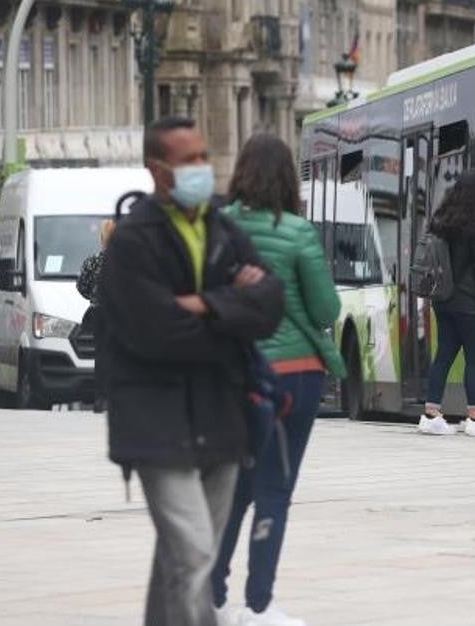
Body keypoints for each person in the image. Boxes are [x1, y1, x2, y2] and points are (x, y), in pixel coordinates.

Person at [98, 117, 284, 626]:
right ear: (158, 171)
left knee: (180, 559)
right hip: (155, 423)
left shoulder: (222, 227)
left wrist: (202, 305)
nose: (203, 167)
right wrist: (230, 310)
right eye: (189, 160)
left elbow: (270, 302)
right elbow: (154, 331)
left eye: (205, 155)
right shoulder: (135, 240)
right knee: (196, 554)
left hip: (221, 416)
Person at [208, 133, 345, 626]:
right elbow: (327, 308)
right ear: (290, 178)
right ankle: (259, 606)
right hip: (293, 376)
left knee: (236, 487)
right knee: (274, 487)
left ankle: (212, 593)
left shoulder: (218, 230)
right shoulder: (297, 232)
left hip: (234, 373)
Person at [419, 170, 475, 436]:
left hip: (443, 300)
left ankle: (431, 413)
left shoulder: (441, 221)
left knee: (444, 355)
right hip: (470, 305)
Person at [77, 219, 114, 413]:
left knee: (100, 355)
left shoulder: (92, 261)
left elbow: (81, 286)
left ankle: (100, 399)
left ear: (101, 238)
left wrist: (93, 296)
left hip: (99, 312)